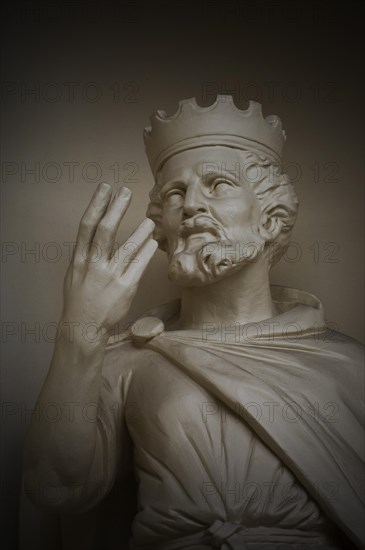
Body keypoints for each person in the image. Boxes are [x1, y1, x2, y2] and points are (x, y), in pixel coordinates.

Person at [23, 96, 364, 549]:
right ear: (162, 225)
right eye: (174, 194)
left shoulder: (348, 367)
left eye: (218, 184)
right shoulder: (125, 363)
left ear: (271, 219)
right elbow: (55, 489)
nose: (190, 206)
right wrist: (80, 330)